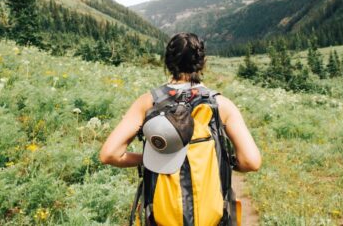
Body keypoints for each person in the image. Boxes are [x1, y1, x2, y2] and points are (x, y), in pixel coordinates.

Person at [100, 32, 261, 224]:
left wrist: (151, 159)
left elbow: (109, 154)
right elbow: (251, 162)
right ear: (203, 62)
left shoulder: (148, 103)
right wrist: (225, 161)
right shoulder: (221, 105)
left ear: (167, 62)